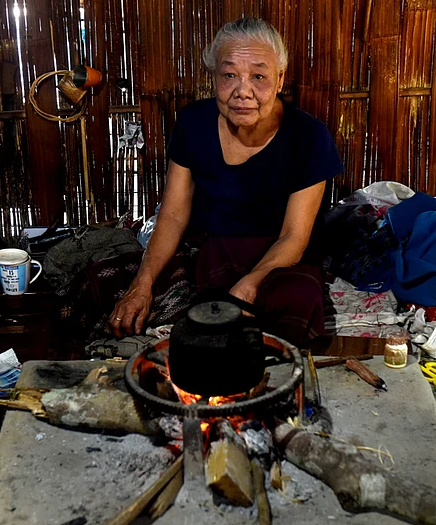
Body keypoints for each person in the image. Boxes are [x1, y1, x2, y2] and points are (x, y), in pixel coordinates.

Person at [109, 17, 344, 346]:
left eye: (258, 76)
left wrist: (252, 283)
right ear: (214, 77)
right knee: (136, 303)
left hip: (280, 257)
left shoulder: (309, 137)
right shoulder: (194, 123)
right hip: (214, 249)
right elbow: (174, 213)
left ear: (279, 80)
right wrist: (142, 283)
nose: (243, 91)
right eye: (229, 75)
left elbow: (294, 236)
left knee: (297, 300)